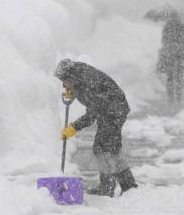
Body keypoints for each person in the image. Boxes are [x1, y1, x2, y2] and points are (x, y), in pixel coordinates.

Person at [55, 58, 138, 197]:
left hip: (112, 111)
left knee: (102, 148)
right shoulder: (80, 77)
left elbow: (91, 115)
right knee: (113, 148)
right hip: (114, 109)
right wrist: (74, 91)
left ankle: (107, 187)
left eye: (64, 81)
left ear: (70, 76)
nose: (64, 85)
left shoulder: (88, 83)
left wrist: (73, 128)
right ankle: (128, 184)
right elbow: (93, 96)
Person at [156, 13, 184, 107]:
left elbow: (164, 40)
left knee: (170, 77)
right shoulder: (181, 26)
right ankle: (178, 97)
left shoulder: (167, 26)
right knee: (178, 77)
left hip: (170, 54)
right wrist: (179, 46)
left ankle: (171, 98)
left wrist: (168, 48)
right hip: (179, 54)